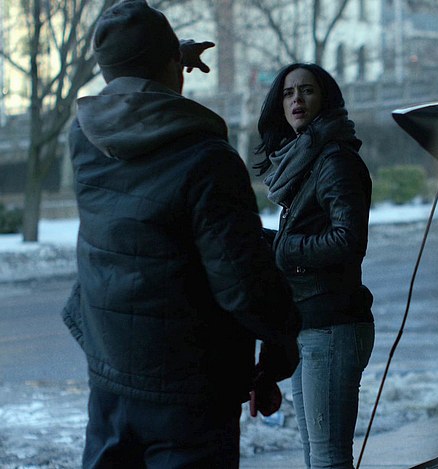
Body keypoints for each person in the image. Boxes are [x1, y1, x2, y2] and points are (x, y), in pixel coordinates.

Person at [61, 1, 299, 466]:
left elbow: (130, 83)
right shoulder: (207, 159)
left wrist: (164, 57)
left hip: (111, 375)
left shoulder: (84, 139)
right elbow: (243, 284)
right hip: (190, 393)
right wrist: (281, 346)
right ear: (171, 64)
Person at [254, 63, 375, 469]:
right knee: (316, 457)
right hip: (310, 324)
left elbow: (348, 240)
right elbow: (309, 233)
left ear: (326, 99)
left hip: (333, 324)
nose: (297, 100)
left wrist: (286, 249)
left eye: (307, 91)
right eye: (288, 93)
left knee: (328, 459)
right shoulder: (306, 160)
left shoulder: (335, 160)